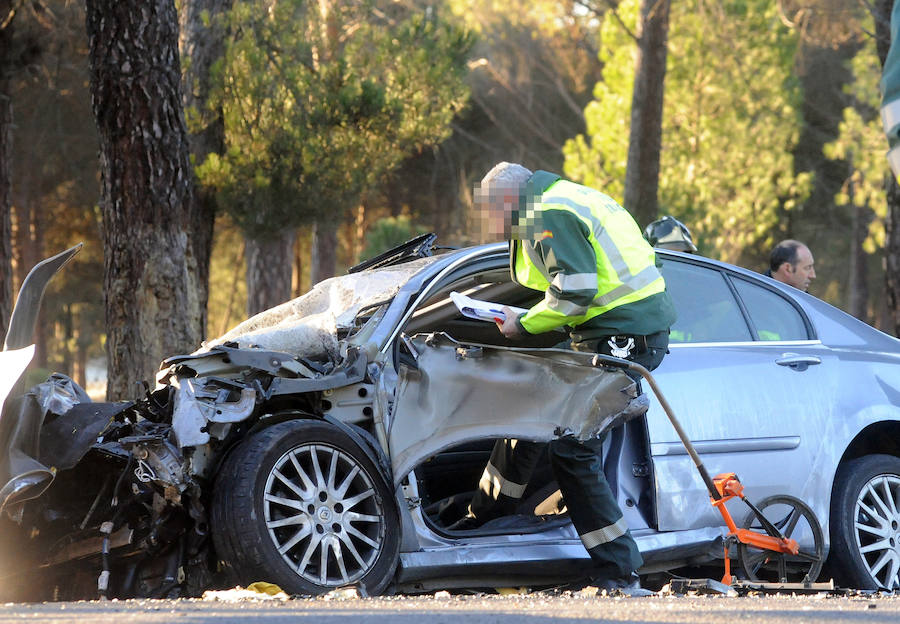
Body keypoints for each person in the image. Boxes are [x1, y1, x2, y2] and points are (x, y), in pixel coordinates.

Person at [463, 162, 676, 595]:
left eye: (489, 210)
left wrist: (524, 325)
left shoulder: (546, 213)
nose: (490, 221)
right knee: (528, 411)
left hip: (622, 337)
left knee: (572, 447)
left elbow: (575, 292)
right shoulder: (566, 199)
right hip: (608, 331)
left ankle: (619, 568)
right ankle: (486, 519)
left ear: (507, 199)